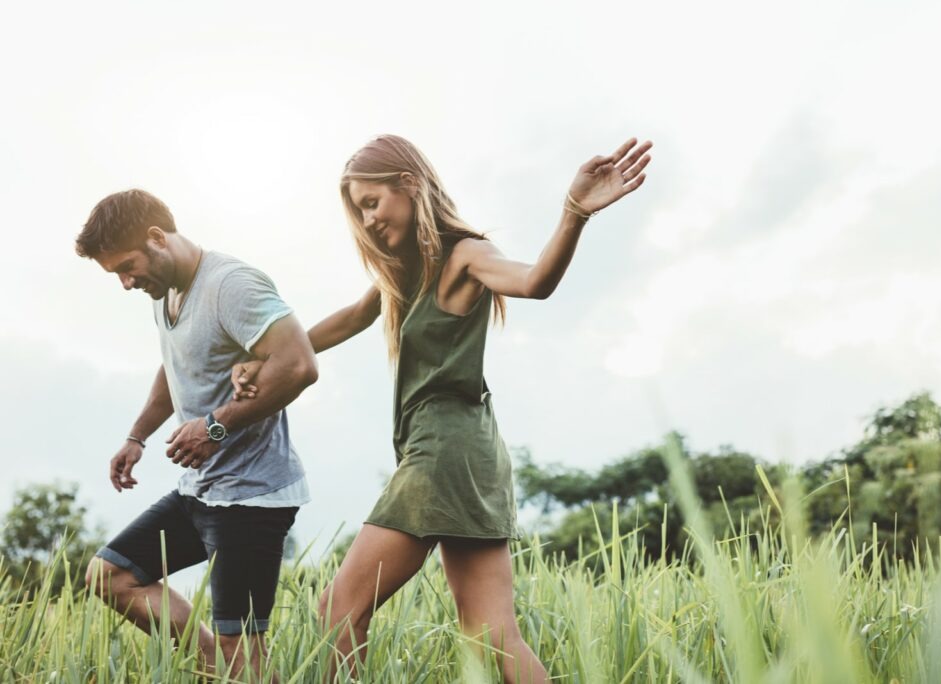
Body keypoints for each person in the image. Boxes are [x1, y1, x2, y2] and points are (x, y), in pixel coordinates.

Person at [233, 135, 652, 682]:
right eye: (359, 212)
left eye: (371, 203)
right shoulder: (406, 272)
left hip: (443, 453)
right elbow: (348, 320)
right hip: (472, 454)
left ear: (409, 184)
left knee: (338, 611)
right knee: (493, 636)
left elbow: (534, 282)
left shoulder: (464, 255)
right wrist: (266, 356)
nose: (368, 221)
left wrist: (574, 212)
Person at [76, 189, 319, 678]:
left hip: (252, 496)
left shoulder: (232, 285)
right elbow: (175, 366)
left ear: (157, 237)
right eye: (116, 275)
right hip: (201, 491)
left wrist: (215, 426)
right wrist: (137, 436)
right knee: (110, 576)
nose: (125, 282)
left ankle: (237, 670)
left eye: (127, 266)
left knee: (242, 649)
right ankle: (227, 671)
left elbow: (298, 364)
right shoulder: (164, 291)